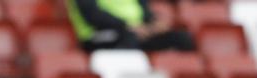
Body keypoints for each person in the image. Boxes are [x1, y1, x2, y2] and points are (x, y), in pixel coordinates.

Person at [65, 0, 196, 53]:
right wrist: (126, 26)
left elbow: (144, 12)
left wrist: (153, 24)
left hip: (136, 34)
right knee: (129, 37)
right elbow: (92, 15)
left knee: (181, 38)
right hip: (98, 35)